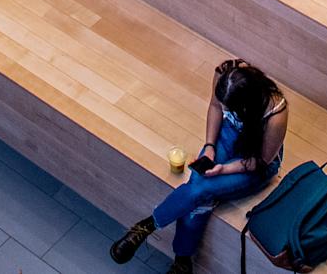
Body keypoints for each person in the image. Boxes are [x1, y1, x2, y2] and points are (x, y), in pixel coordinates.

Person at [110, 60, 289, 274]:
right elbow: (215, 106)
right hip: (228, 138)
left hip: (255, 160)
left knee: (200, 189)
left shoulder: (275, 112)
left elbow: (261, 161)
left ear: (246, 105)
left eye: (229, 108)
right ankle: (182, 261)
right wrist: (210, 146)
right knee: (199, 193)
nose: (224, 109)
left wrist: (223, 170)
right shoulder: (225, 72)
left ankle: (148, 226)